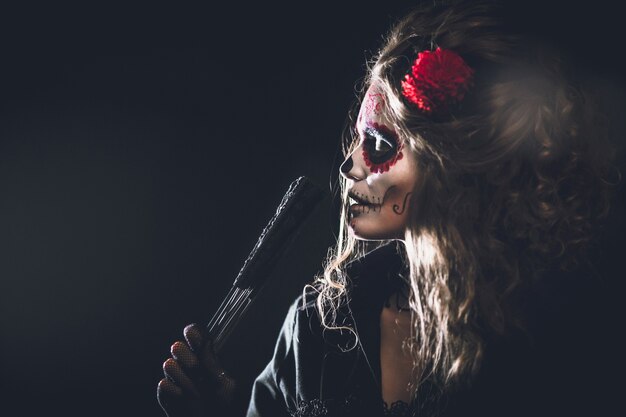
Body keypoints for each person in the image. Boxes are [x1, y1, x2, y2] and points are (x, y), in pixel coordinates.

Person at [157, 1, 617, 416]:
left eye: (377, 144)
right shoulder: (319, 323)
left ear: (450, 165)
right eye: (357, 138)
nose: (349, 164)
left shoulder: (556, 338)